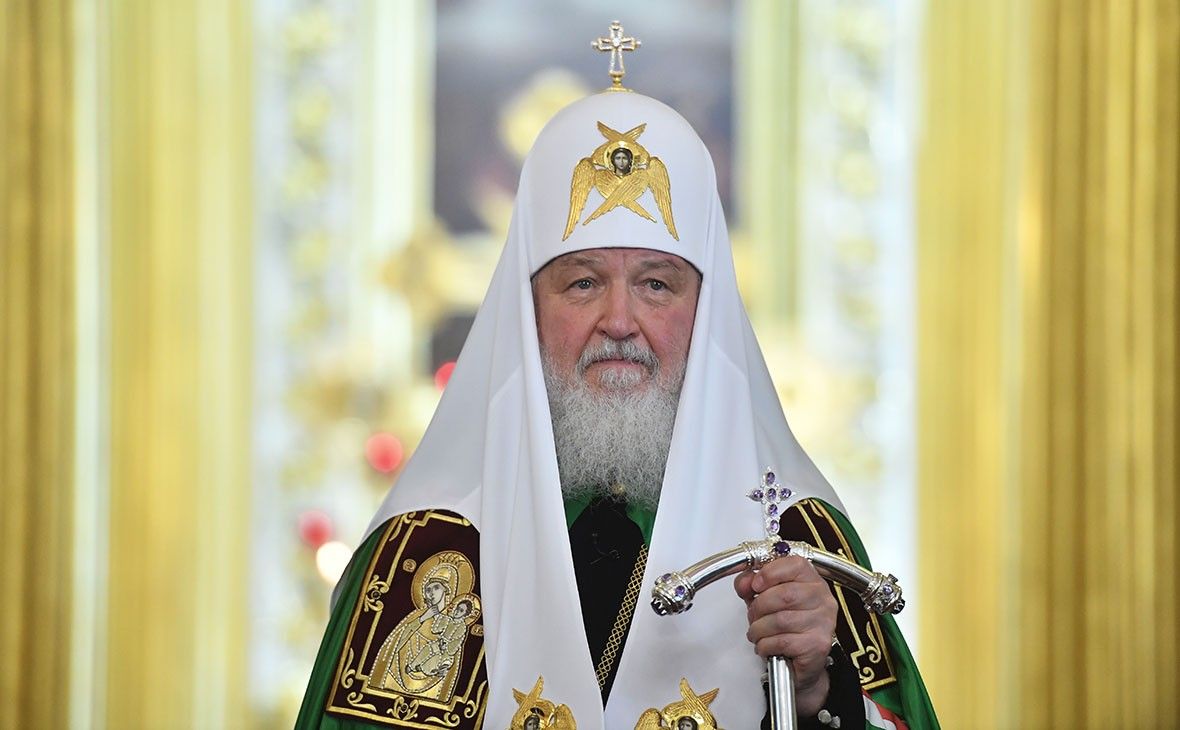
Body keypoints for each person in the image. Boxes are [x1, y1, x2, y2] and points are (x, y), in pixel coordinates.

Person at [298, 35, 937, 730]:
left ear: (705, 312)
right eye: (582, 283)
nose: (620, 321)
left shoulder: (794, 540)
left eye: (657, 285)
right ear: (528, 311)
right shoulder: (426, 550)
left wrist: (817, 690)